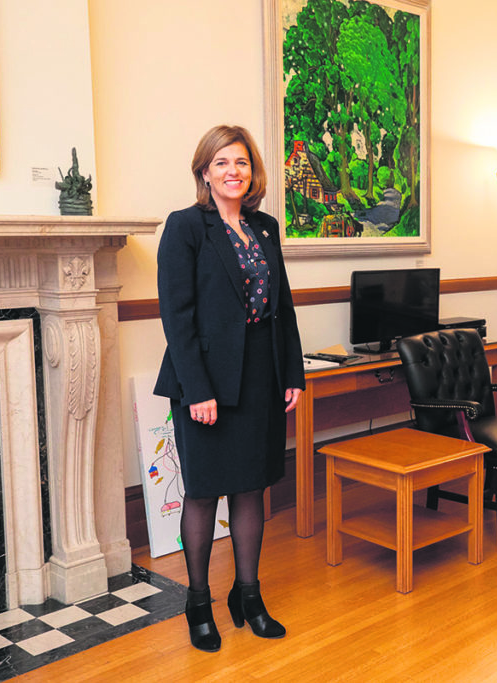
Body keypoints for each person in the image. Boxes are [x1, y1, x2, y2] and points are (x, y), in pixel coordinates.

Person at [154, 124, 305, 653]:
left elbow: (281, 308)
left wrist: (292, 374)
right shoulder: (185, 227)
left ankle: (248, 595)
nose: (232, 172)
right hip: (206, 384)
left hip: (262, 378)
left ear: (252, 170)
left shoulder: (265, 228)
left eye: (240, 162)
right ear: (204, 171)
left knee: (252, 487)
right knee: (202, 492)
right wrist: (197, 390)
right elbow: (177, 317)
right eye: (221, 163)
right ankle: (199, 603)